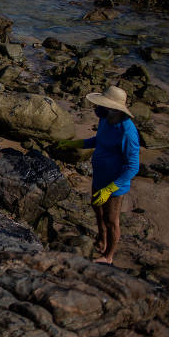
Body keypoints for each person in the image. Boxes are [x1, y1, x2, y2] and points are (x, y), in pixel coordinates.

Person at [58, 85, 139, 266]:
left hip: (115, 184)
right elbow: (98, 140)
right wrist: (73, 144)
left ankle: (109, 256)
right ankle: (101, 236)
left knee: (112, 220)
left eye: (100, 106)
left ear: (113, 109)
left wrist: (110, 189)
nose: (96, 108)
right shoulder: (105, 120)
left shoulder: (127, 132)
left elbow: (133, 167)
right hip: (100, 176)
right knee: (96, 207)